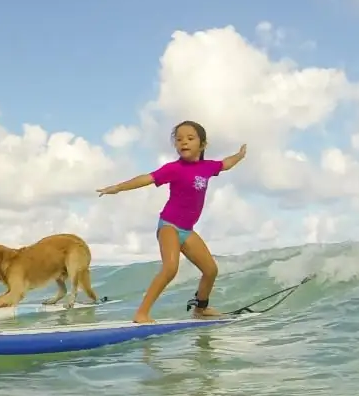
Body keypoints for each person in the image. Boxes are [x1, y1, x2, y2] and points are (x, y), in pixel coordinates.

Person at [96, 120, 246, 324]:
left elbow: (226, 164)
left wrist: (240, 155)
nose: (183, 142)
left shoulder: (208, 167)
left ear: (202, 145)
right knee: (170, 268)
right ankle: (141, 313)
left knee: (211, 270)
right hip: (169, 225)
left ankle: (201, 309)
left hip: (187, 230)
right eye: (179, 139)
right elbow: (146, 178)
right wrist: (117, 188)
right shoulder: (173, 169)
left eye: (190, 138)